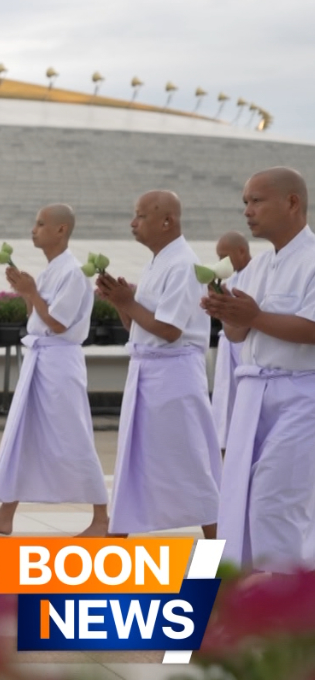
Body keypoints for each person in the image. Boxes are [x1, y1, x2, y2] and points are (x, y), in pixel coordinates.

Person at [0, 204, 109, 536]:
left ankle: (101, 518)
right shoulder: (51, 270)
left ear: (61, 230)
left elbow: (58, 324)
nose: (34, 229)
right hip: (42, 360)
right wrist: (26, 293)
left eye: (41, 224)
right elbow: (39, 317)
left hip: (60, 363)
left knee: (74, 435)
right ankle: (5, 515)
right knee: (23, 434)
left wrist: (30, 292)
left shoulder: (73, 272)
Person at [207, 168, 315, 572]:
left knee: (277, 497)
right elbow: (239, 336)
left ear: (292, 203)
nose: (248, 211)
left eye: (257, 201)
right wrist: (227, 313)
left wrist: (253, 314)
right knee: (241, 497)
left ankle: (286, 606)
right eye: (245, 203)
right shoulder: (256, 268)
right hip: (255, 397)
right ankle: (255, 592)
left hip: (302, 395)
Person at [100, 190, 220, 538]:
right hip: (148, 371)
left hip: (173, 375)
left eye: (141, 216)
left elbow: (169, 330)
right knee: (133, 460)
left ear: (167, 221)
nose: (133, 223)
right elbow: (137, 326)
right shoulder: (158, 261)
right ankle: (116, 538)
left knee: (188, 461)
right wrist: (120, 302)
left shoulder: (183, 264)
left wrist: (128, 301)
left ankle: (218, 549)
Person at [210, 231, 253, 449]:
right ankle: (224, 441)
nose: (221, 263)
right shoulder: (231, 278)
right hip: (228, 344)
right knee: (225, 393)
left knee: (243, 397)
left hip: (246, 346)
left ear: (242, 251)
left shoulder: (258, 273)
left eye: (224, 256)